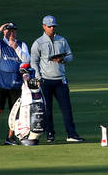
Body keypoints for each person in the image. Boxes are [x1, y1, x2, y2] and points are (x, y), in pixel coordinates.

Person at [30, 15, 84, 143]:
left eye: (54, 26)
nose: (52, 28)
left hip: (60, 80)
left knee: (67, 108)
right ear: (44, 26)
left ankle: (71, 134)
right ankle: (50, 134)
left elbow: (70, 56)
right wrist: (38, 77)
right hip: (45, 81)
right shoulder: (38, 42)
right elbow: (34, 61)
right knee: (47, 109)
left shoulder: (62, 40)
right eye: (49, 26)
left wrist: (63, 59)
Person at [0, 22, 30, 146]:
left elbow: (26, 60)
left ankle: (11, 137)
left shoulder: (21, 44)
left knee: (15, 111)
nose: (11, 32)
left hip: (16, 82)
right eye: (8, 30)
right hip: (0, 81)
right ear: (4, 31)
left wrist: (16, 48)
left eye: (14, 30)